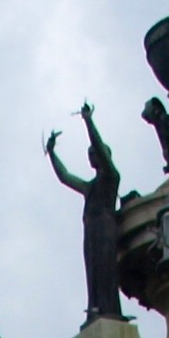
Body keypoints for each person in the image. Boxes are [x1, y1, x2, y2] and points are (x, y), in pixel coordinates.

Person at [45, 104, 125, 325]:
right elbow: (65, 176)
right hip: (91, 229)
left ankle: (108, 308)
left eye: (94, 153)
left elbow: (99, 146)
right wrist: (52, 153)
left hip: (105, 228)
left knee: (105, 269)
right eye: (89, 154)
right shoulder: (89, 187)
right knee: (93, 271)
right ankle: (95, 308)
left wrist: (88, 121)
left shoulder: (111, 177)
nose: (91, 156)